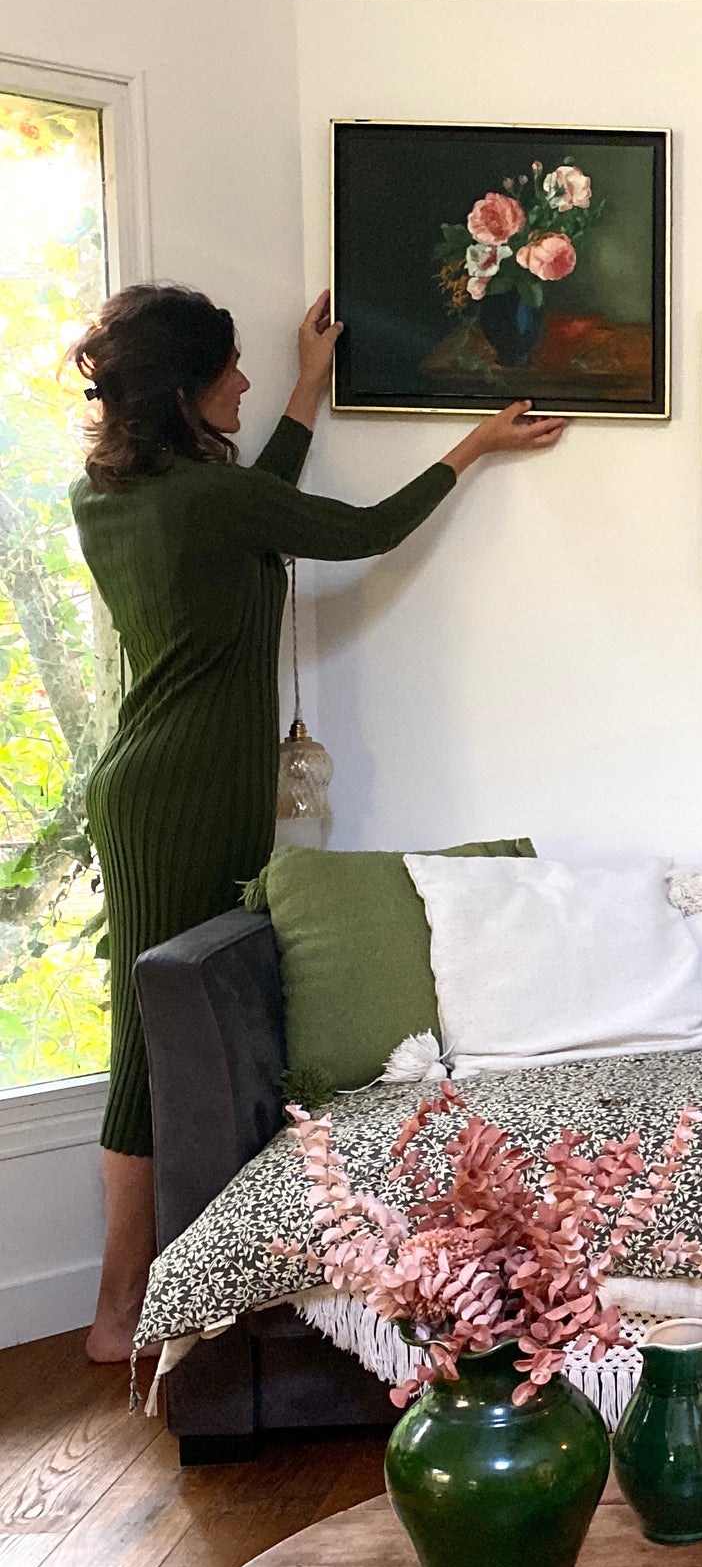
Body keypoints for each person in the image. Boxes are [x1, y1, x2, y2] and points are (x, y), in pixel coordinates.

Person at [69, 285, 565, 1362]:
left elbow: (255, 504)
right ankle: (118, 1313)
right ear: (187, 390)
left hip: (159, 784)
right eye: (231, 371)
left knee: (168, 1022)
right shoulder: (210, 501)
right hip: (179, 798)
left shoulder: (118, 497)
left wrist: (306, 388)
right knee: (149, 1042)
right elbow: (361, 530)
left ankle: (163, 1289)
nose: (244, 381)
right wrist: (474, 447)